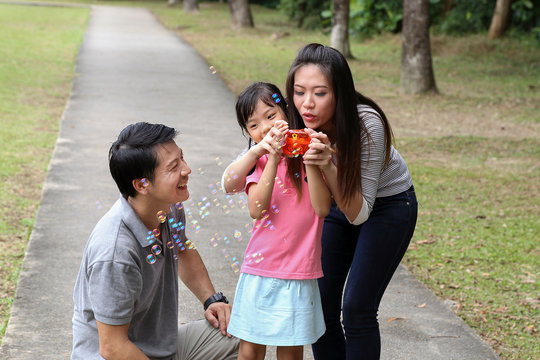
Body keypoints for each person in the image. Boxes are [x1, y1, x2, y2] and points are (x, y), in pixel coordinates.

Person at [287, 43, 418, 359]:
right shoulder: (296, 125)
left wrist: (327, 164)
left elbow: (359, 213)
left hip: (388, 206)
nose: (307, 104)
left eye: (320, 93)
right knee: (319, 306)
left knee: (357, 307)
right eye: (299, 91)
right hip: (338, 204)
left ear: (340, 93)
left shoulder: (367, 125)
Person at [71, 122, 239, 360]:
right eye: (174, 167)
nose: (187, 169)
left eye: (182, 158)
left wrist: (212, 300)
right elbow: (112, 347)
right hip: (121, 355)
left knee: (241, 332)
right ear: (142, 185)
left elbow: (182, 249)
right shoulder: (115, 252)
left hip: (161, 347)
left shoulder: (169, 207)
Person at [223, 82, 331, 360]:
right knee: (249, 352)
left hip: (299, 272)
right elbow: (256, 209)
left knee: (291, 354)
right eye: (254, 125)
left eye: (271, 116)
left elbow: (321, 209)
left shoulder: (312, 156)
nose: (266, 127)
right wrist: (270, 157)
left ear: (286, 111)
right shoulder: (257, 163)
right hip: (260, 269)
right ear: (248, 133)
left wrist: (308, 158)